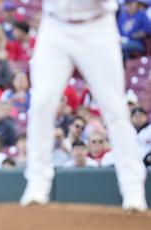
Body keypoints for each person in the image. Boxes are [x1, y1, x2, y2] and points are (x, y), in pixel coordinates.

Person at [20, 0, 148, 212]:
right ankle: (37, 185)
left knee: (115, 109)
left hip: (97, 27)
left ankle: (133, 190)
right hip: (55, 26)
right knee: (41, 103)